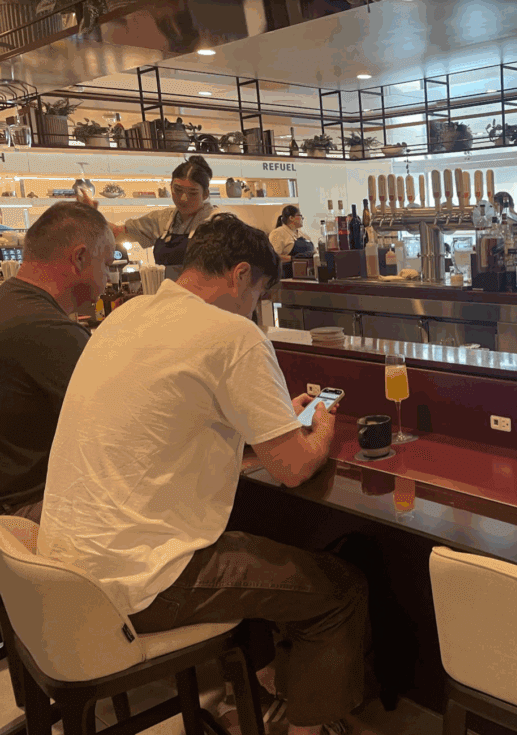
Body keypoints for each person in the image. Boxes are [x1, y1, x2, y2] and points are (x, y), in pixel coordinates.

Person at [39, 214, 368, 735]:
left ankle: (265, 687)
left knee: (256, 542)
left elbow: (173, 437)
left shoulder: (126, 315)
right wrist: (321, 426)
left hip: (65, 572)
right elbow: (295, 468)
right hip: (138, 582)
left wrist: (272, 427)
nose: (254, 308)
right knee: (339, 590)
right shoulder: (233, 334)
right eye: (257, 292)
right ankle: (310, 728)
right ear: (241, 275)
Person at [0, 202, 115, 523]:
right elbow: (117, 426)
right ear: (79, 258)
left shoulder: (9, 301)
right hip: (28, 508)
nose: (108, 277)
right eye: (106, 264)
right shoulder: (50, 331)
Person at [79, 155, 218, 282]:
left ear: (205, 194)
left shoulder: (218, 223)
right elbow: (117, 233)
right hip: (169, 299)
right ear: (170, 187)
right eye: (178, 190)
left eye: (192, 193)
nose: (183, 198)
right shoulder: (163, 219)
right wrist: (91, 214)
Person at [270, 205, 315, 279]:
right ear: (291, 218)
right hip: (288, 277)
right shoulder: (278, 233)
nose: (302, 219)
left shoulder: (303, 234)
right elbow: (274, 257)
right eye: (300, 216)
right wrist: (293, 258)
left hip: (307, 276)